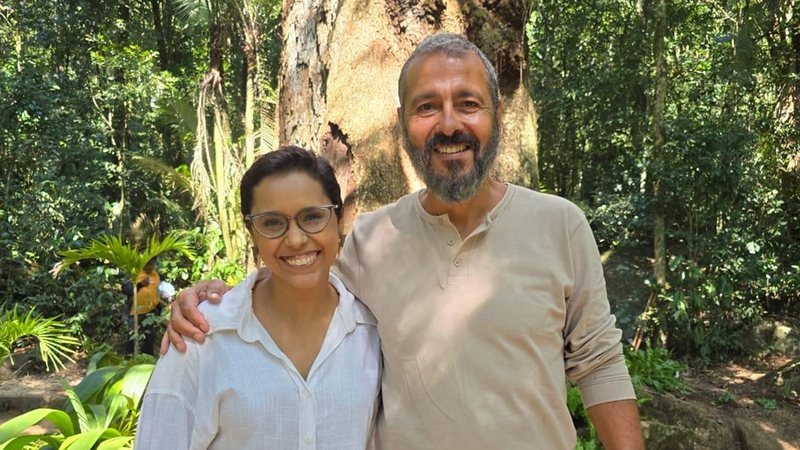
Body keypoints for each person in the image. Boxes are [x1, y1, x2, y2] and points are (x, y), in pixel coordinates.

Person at [167, 34, 644, 449]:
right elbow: (299, 279)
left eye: (468, 103)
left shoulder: (560, 225)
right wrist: (212, 301)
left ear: (496, 114)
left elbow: (599, 364)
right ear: (402, 122)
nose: (449, 124)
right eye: (427, 106)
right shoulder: (373, 239)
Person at [136, 147, 382, 449]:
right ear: (252, 231)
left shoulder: (372, 330)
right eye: (272, 223)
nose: (295, 239)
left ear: (338, 218)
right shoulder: (201, 335)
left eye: (313, 217)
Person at [122, 258, 174, 355]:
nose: (149, 267)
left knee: (149, 338)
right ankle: (128, 358)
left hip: (151, 313)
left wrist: (167, 295)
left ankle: (147, 359)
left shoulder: (158, 276)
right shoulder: (136, 274)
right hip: (135, 314)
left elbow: (165, 289)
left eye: (151, 264)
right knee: (132, 338)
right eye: (147, 264)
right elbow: (125, 290)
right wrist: (140, 284)